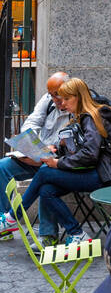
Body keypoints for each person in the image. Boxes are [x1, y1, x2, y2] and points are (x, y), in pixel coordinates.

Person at [10, 78, 111, 246]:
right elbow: (84, 149)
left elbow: (90, 154)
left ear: (78, 97)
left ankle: (13, 217)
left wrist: (58, 163)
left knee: (44, 172)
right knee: (46, 190)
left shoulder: (92, 117)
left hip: (106, 177)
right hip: (93, 171)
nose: (62, 104)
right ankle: (76, 233)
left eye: (66, 99)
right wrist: (60, 148)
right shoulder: (80, 117)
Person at [0, 70, 71, 238]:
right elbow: (31, 123)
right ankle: (4, 224)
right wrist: (33, 146)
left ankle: (48, 235)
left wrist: (50, 154)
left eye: (58, 95)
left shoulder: (77, 107)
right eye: (52, 95)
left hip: (60, 163)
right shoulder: (48, 101)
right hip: (41, 155)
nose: (55, 100)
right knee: (2, 167)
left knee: (46, 177)